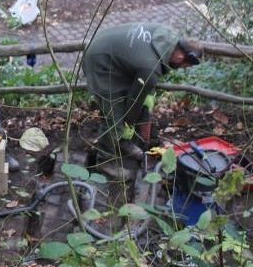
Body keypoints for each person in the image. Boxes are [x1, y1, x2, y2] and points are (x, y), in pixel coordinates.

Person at [82, 23, 202, 180]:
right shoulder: (149, 67)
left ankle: (123, 143)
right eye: (184, 66)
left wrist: (143, 122)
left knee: (125, 108)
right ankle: (105, 161)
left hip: (112, 53)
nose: (182, 68)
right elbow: (134, 102)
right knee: (114, 114)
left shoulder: (165, 37)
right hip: (100, 61)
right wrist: (130, 124)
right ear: (181, 57)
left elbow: (146, 93)